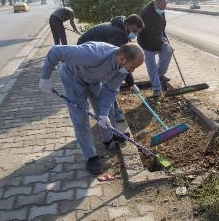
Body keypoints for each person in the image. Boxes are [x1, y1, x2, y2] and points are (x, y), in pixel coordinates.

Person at [39, 42, 144, 174]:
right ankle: (91, 156)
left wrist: (104, 114)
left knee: (107, 108)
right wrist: (45, 77)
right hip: (73, 78)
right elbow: (56, 51)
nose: (132, 71)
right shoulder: (92, 54)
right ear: (122, 58)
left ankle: (109, 138)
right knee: (80, 119)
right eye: (132, 67)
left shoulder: (122, 69)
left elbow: (111, 90)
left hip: (94, 80)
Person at [77, 14, 145, 122]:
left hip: (92, 52)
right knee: (109, 81)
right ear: (127, 24)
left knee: (111, 80)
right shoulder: (117, 34)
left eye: (137, 32)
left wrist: (131, 83)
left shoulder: (121, 29)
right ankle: (112, 114)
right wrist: (131, 83)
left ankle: (111, 113)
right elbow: (124, 63)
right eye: (134, 30)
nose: (135, 34)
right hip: (85, 55)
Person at [138, 0, 172, 98]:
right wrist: (162, 43)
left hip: (158, 37)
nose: (162, 10)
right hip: (146, 42)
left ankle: (159, 75)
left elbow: (162, 25)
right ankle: (156, 89)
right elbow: (151, 35)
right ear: (155, 4)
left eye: (164, 8)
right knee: (151, 66)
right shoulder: (146, 14)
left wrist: (164, 36)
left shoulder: (160, 8)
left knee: (168, 52)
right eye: (161, 8)